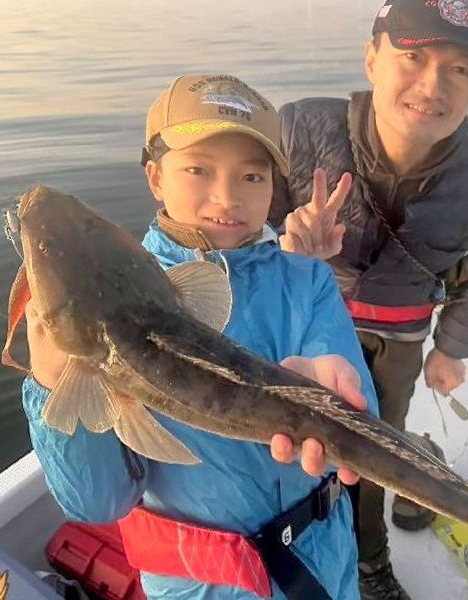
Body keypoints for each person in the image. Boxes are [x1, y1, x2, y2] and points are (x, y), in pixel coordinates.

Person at [23, 73, 379, 600]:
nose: (227, 197)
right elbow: (97, 502)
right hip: (200, 586)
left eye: (252, 176)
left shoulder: (306, 280)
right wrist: (51, 382)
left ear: (274, 186)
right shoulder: (91, 320)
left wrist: (337, 388)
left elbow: (360, 419)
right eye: (198, 169)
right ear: (155, 177)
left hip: (325, 560)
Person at [269, 1, 468, 598]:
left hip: (398, 338)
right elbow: (230, 228)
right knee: (293, 438)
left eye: (460, 69)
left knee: (374, 444)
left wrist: (452, 347)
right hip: (303, 328)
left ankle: (371, 564)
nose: (433, 86)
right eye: (414, 57)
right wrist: (285, 247)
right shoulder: (297, 129)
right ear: (371, 58)